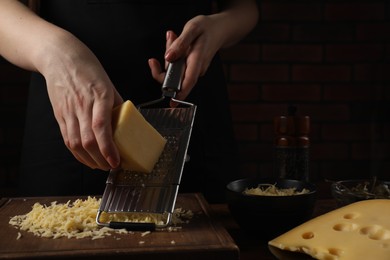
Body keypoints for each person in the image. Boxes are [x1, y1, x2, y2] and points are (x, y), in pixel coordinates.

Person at [0, 0, 258, 203]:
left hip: (190, 116)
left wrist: (217, 28)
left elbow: (244, 8)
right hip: (71, 117)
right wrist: (56, 52)